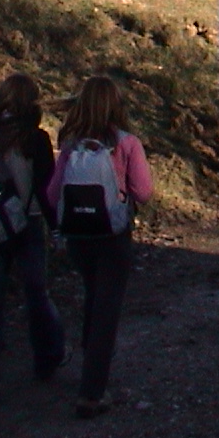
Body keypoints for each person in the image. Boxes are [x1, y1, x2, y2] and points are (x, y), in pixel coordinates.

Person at [47, 75, 153, 419]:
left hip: (78, 236)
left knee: (93, 296)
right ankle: (92, 392)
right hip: (112, 236)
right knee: (107, 308)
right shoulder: (126, 143)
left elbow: (52, 193)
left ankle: (89, 363)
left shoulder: (72, 143)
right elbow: (143, 192)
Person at [0, 74, 66, 406]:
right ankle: (49, 357)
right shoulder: (34, 139)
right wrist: (58, 228)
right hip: (27, 225)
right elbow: (46, 190)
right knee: (36, 292)